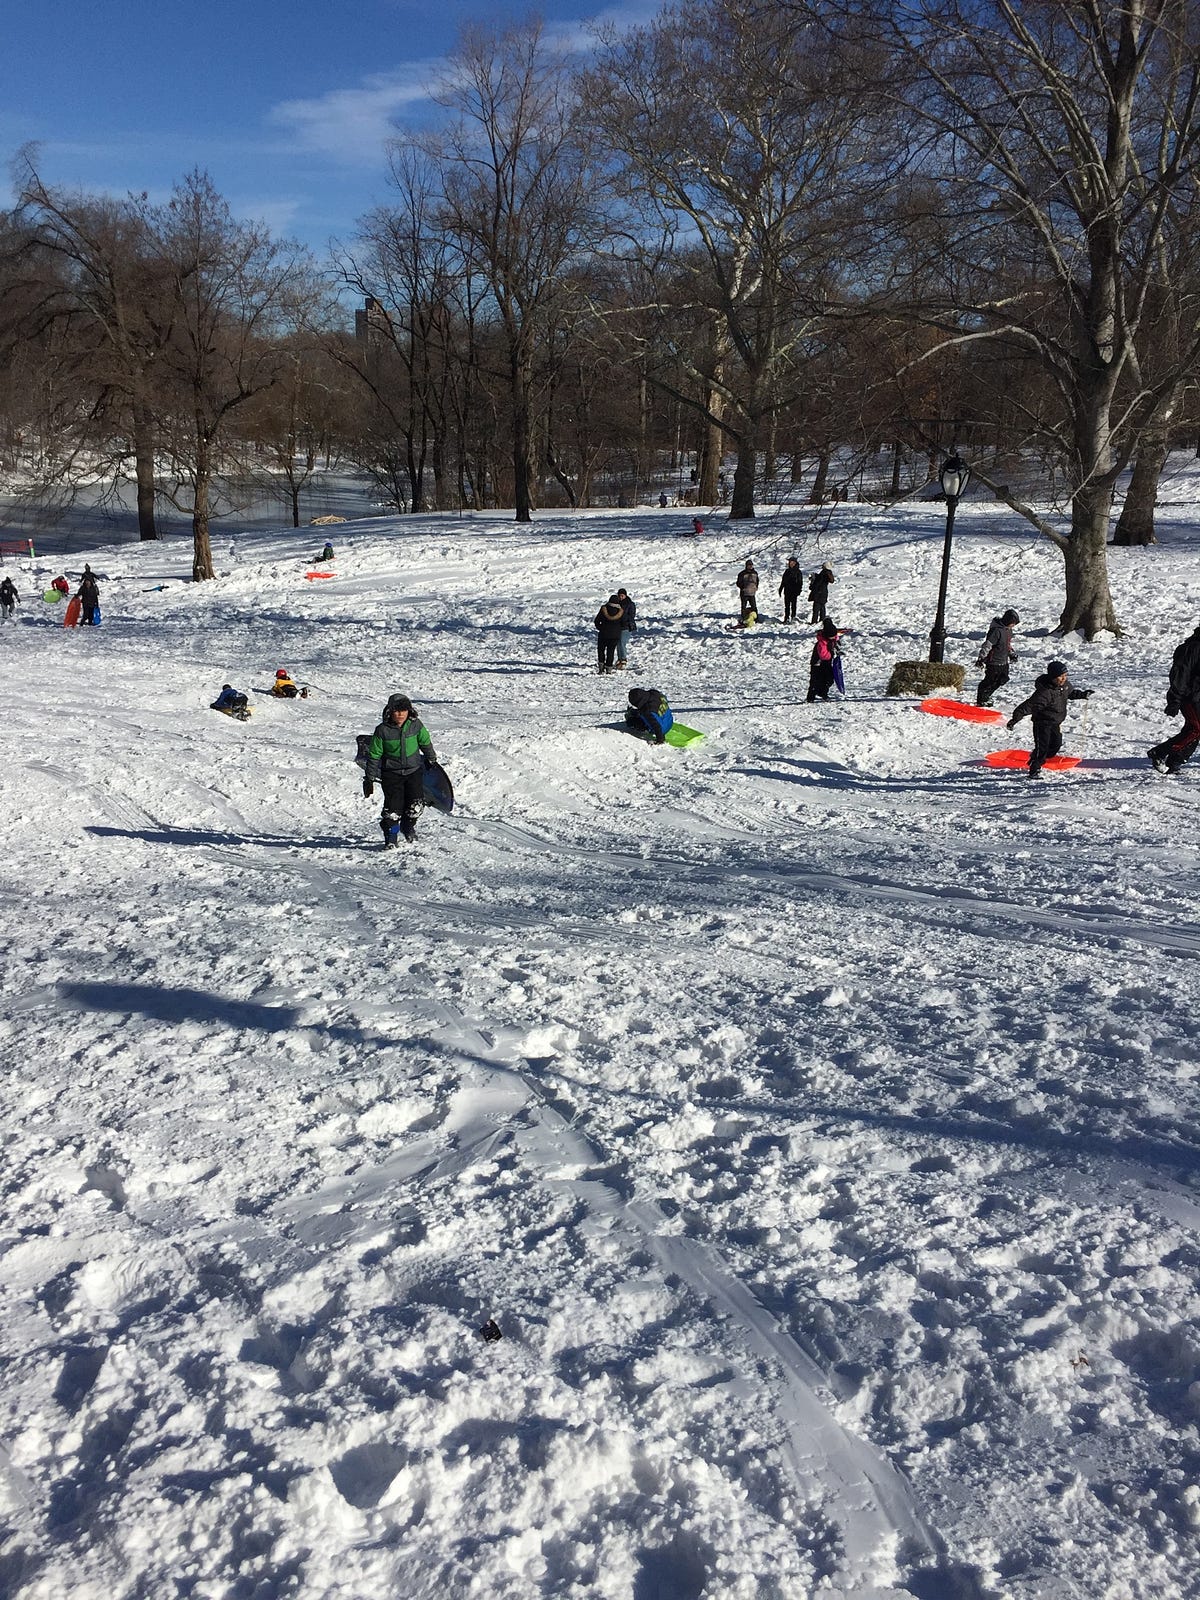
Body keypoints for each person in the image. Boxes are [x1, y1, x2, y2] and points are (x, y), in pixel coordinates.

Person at [362, 693, 437, 846]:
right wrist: (369, 778)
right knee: (393, 810)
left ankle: (408, 827)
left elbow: (425, 742)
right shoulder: (382, 730)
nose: (400, 714)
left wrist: (431, 758)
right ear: (390, 712)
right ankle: (391, 837)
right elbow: (374, 755)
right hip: (392, 774)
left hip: (413, 772)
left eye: (404, 710)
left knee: (415, 806)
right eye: (396, 711)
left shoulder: (415, 725)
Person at [1008, 659, 1091, 778]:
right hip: (1042, 723)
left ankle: (1035, 758)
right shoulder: (1045, 692)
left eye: (1065, 676)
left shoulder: (1065, 686)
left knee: (1056, 745)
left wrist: (1083, 694)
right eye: (1060, 676)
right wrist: (1014, 719)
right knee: (1042, 747)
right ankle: (1034, 769)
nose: (1064, 679)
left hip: (1055, 722)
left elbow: (1071, 693)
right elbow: (1028, 706)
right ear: (1052, 677)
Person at [1148, 621, 1200, 775]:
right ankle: (1160, 752)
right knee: (1196, 729)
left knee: (1193, 730)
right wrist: (1175, 700)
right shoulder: (1192, 648)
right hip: (1190, 697)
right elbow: (1180, 676)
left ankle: (1175, 762)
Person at [975, 608, 1020, 707]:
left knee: (1003, 679)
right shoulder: (996, 631)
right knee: (990, 680)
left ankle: (987, 695)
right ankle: (981, 699)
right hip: (993, 661)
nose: (1013, 626)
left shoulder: (1008, 630)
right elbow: (987, 645)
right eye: (1013, 623)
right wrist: (981, 658)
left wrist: (1011, 654)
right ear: (1008, 621)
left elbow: (1007, 644)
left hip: (1004, 661)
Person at [807, 618, 848, 702]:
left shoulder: (833, 638)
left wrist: (837, 651)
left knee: (829, 679)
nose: (834, 637)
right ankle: (811, 697)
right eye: (832, 636)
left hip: (827, 662)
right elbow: (824, 656)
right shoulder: (822, 643)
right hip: (818, 663)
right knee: (815, 681)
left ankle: (823, 693)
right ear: (827, 636)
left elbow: (836, 642)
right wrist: (832, 652)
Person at [595, 596, 625, 675]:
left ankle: (601, 667)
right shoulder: (620, 611)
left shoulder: (604, 609)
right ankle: (609, 668)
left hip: (603, 634)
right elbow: (624, 623)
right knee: (610, 652)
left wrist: (601, 628)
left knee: (601, 650)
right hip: (615, 635)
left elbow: (597, 621)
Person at [615, 587, 637, 669]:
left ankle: (623, 659)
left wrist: (623, 618)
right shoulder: (616, 604)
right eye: (619, 596)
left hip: (626, 626)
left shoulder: (630, 604)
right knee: (618, 642)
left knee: (622, 642)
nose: (621, 597)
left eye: (622, 596)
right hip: (618, 626)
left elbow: (631, 615)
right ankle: (619, 658)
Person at [778, 558, 803, 623]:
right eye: (789, 562)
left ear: (795, 563)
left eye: (791, 562)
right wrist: (780, 589)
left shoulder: (798, 572)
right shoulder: (787, 571)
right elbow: (783, 581)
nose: (789, 563)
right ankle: (786, 618)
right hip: (787, 591)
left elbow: (800, 582)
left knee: (793, 605)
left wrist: (799, 590)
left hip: (794, 591)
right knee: (787, 606)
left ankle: (793, 617)